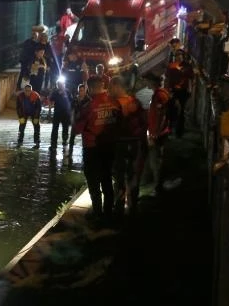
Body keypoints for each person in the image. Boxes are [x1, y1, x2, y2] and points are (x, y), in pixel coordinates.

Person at [73, 75, 122, 221]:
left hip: (92, 147)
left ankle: (97, 213)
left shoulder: (88, 106)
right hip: (109, 146)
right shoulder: (115, 102)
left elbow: (77, 129)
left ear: (90, 88)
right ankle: (108, 212)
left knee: (93, 181)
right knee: (107, 178)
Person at [109, 76, 148, 216]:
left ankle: (119, 207)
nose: (109, 90)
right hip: (135, 143)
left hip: (120, 143)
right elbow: (144, 124)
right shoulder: (135, 102)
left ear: (117, 86)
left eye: (110, 87)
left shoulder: (114, 104)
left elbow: (109, 127)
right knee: (132, 175)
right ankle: (133, 206)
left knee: (119, 176)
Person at [143, 73, 171, 195]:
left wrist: (156, 134)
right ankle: (157, 184)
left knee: (155, 161)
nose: (146, 84)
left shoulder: (160, 95)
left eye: (147, 81)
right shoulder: (159, 94)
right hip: (157, 133)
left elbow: (163, 116)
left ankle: (158, 187)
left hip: (158, 135)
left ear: (152, 82)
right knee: (155, 160)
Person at [165, 49, 194, 138]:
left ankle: (179, 132)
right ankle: (168, 129)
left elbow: (191, 78)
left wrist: (190, 90)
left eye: (180, 55)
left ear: (183, 56)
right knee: (170, 110)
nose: (178, 56)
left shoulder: (188, 66)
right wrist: (168, 90)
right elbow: (167, 78)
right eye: (176, 55)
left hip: (183, 91)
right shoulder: (171, 66)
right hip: (173, 90)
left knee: (181, 112)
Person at [49, 79, 72, 152]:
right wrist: (49, 110)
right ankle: (53, 144)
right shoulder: (55, 92)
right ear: (57, 85)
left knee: (65, 128)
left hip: (66, 114)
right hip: (57, 113)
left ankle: (65, 141)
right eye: (59, 85)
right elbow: (50, 100)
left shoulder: (67, 91)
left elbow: (71, 101)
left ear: (64, 84)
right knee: (55, 129)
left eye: (61, 84)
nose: (60, 86)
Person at [68, 83, 91, 156]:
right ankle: (70, 152)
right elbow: (71, 110)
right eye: (80, 90)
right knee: (72, 137)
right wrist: (71, 119)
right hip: (76, 121)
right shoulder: (75, 99)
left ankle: (86, 153)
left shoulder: (89, 100)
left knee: (86, 138)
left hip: (85, 121)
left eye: (82, 90)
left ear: (85, 91)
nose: (81, 92)